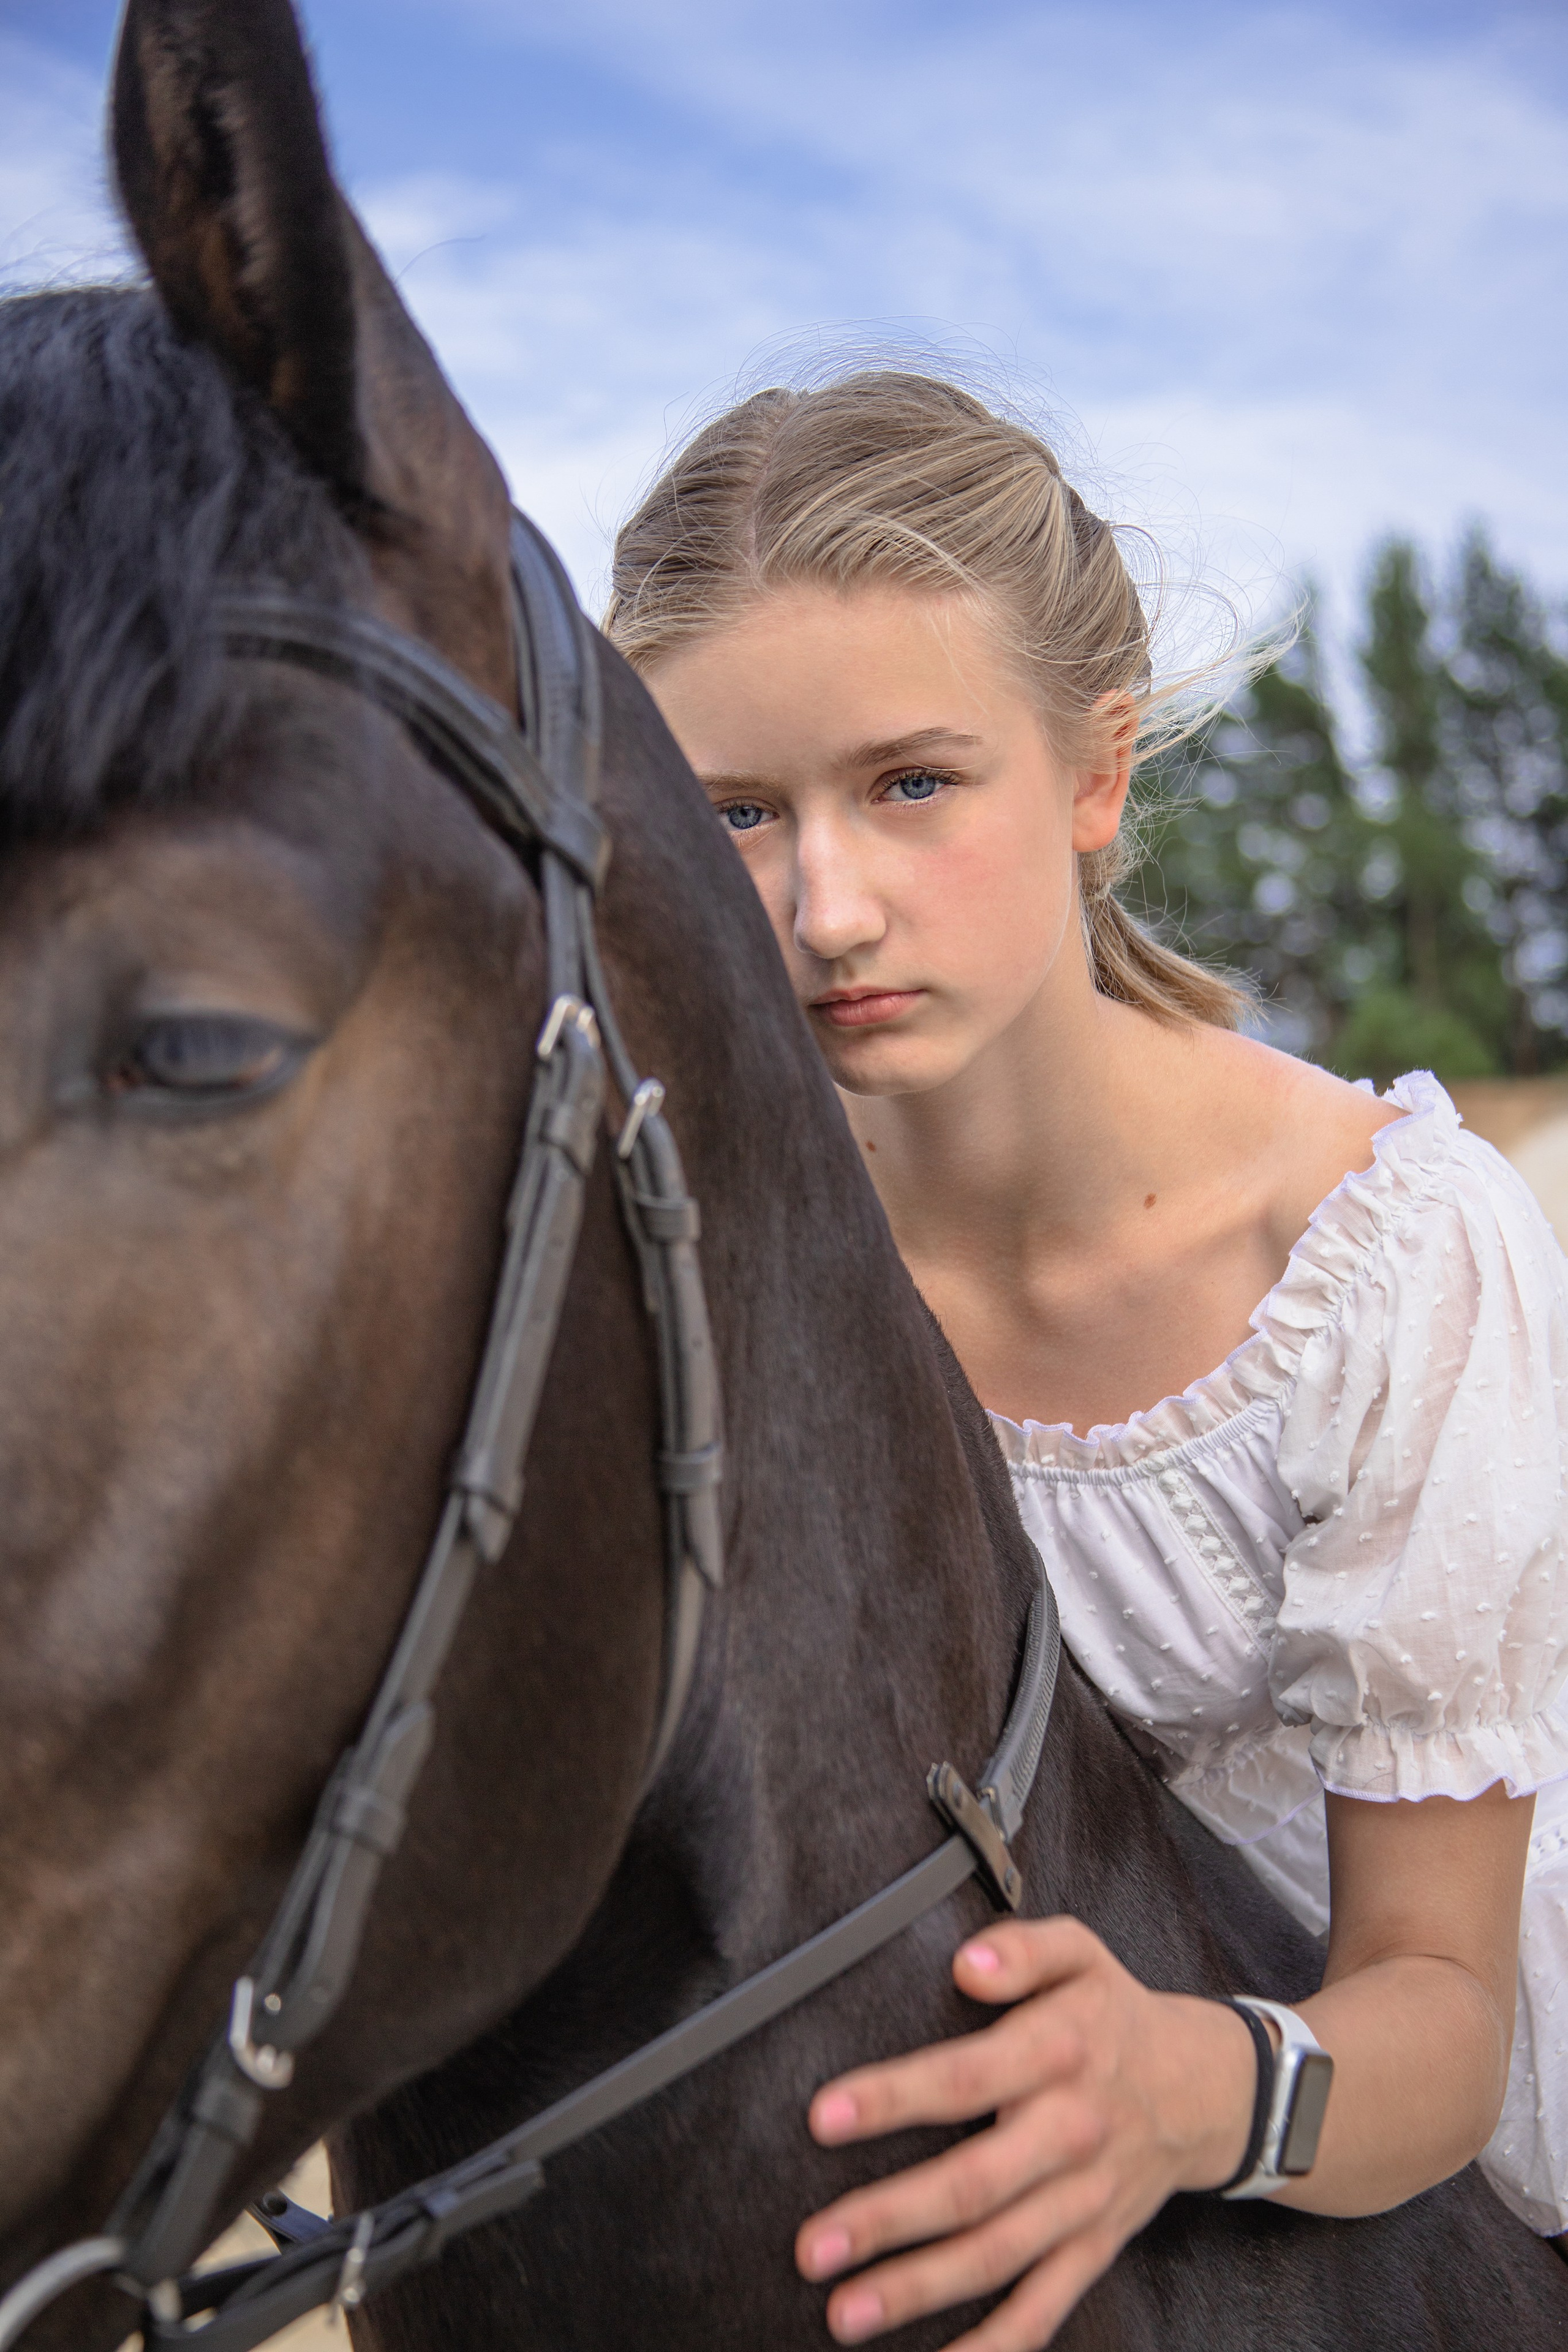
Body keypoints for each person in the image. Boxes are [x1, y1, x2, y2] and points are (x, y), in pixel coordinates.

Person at [603, 371, 1568, 2350]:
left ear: (1098, 774)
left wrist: (1171, 2086)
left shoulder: (1382, 1261)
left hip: (1426, 2210)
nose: (825, 906)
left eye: (913, 783)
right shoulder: (692, 1240)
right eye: (737, 811)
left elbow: (1448, 2025)